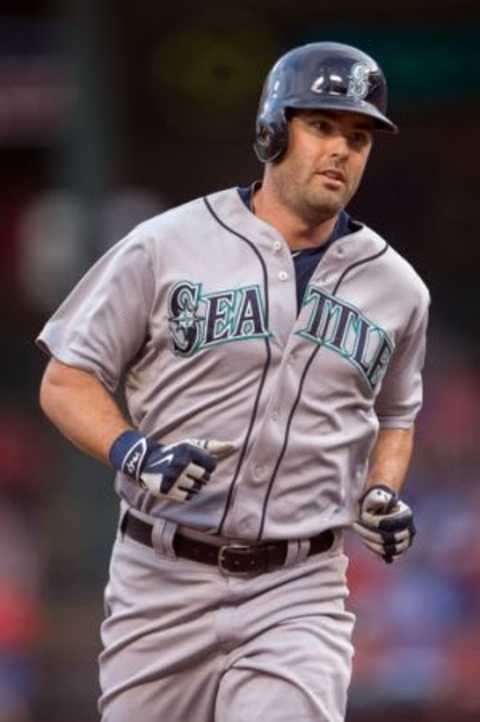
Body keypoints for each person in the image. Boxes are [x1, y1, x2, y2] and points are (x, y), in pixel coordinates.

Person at [37, 41, 429, 722]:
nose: (341, 149)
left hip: (299, 588)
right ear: (272, 130)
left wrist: (384, 492)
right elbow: (66, 378)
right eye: (322, 126)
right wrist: (134, 450)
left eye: (358, 136)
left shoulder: (397, 289)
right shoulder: (166, 245)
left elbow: (397, 414)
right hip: (161, 579)